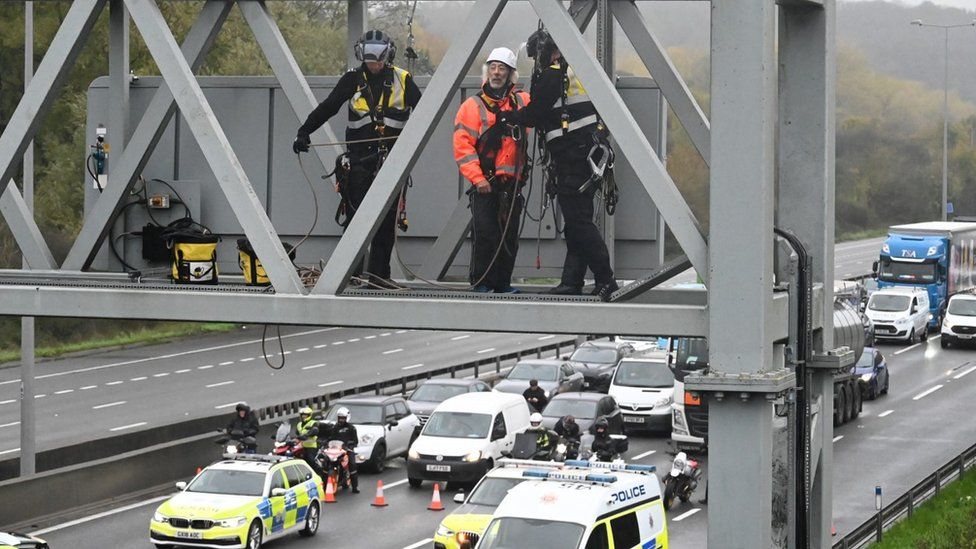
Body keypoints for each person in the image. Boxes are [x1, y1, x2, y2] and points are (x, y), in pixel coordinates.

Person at [293, 29, 422, 288]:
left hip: (391, 161)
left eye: (378, 59)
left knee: (385, 220)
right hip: (360, 161)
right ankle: (350, 273)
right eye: (369, 58)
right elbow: (329, 107)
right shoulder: (352, 79)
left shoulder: (403, 80)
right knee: (355, 218)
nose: (374, 64)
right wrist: (304, 131)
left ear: (388, 56)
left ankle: (378, 276)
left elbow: (426, 113)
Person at [505, 28, 618, 301]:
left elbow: (535, 113)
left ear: (547, 52)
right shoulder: (576, 73)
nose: (537, 63)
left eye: (537, 56)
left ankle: (605, 278)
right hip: (587, 156)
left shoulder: (554, 75)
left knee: (578, 223)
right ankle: (572, 280)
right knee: (576, 222)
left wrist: (508, 118)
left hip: (573, 158)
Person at [453, 47, 530, 294]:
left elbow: (543, 103)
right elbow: (463, 147)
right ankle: (482, 282)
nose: (497, 73)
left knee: (508, 238)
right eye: (493, 68)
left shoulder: (521, 102)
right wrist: (477, 179)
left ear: (510, 74)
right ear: (488, 72)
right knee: (485, 234)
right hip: (485, 183)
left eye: (502, 69)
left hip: (511, 183)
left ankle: (502, 283)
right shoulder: (472, 106)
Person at [324, 407, 360, 493]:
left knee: (352, 464)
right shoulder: (335, 427)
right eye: (340, 418)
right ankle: (326, 483)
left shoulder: (351, 428)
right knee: (326, 462)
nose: (341, 420)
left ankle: (355, 487)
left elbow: (355, 441)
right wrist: (326, 442)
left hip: (347, 450)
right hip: (337, 450)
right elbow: (331, 438)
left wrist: (350, 444)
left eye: (343, 418)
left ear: (347, 417)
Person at [296, 406, 325, 479]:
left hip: (311, 446)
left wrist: (307, 435)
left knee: (311, 460)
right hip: (301, 446)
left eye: (305, 415)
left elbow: (315, 430)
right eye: (302, 415)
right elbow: (296, 433)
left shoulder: (313, 423)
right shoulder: (299, 424)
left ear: (309, 415)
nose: (303, 416)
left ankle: (320, 474)